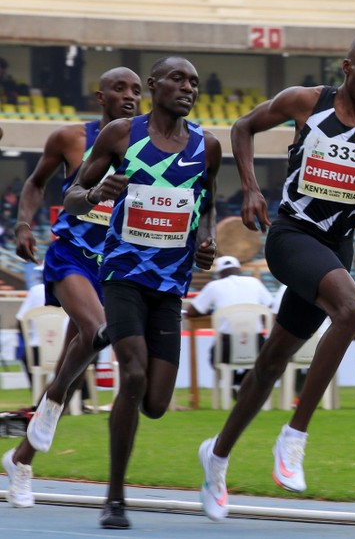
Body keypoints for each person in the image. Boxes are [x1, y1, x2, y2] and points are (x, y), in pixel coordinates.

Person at [196, 34, 355, 523]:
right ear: (346, 68)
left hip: (337, 246)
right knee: (352, 310)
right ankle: (294, 436)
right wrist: (250, 189)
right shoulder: (307, 102)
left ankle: (216, 455)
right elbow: (243, 127)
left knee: (273, 359)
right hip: (292, 234)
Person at [56, 56, 221, 529]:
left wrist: (206, 242)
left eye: (194, 81)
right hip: (124, 274)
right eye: (177, 79)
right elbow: (69, 197)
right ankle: (114, 497)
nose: (187, 87)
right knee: (131, 375)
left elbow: (208, 203)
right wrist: (96, 194)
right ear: (153, 86)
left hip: (171, 285)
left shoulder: (206, 147)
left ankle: (113, 349)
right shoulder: (122, 135)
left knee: (155, 402)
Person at [3, 67, 142, 510]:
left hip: (116, 265)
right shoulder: (69, 138)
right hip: (71, 256)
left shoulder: (147, 146)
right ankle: (55, 401)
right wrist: (24, 223)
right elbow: (35, 183)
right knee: (99, 331)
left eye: (137, 91)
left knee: (75, 356)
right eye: (119, 89)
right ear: (100, 96)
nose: (129, 96)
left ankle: (21, 459)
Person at [186, 255, 274, 390]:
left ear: (220, 273)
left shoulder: (214, 286)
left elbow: (192, 312)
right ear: (238, 270)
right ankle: (242, 381)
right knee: (257, 358)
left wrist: (211, 311)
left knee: (215, 359)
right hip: (257, 344)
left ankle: (235, 382)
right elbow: (270, 307)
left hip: (227, 347)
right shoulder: (254, 282)